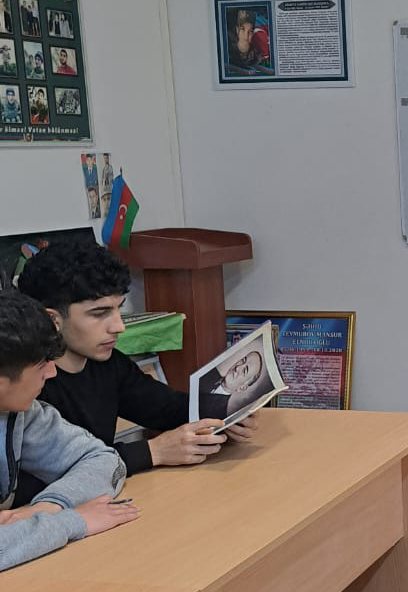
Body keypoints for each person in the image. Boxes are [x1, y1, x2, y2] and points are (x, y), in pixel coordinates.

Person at [12, 242, 259, 506]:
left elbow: (166, 408)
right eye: (100, 313)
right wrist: (153, 452)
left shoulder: (108, 364)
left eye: (118, 309)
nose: (118, 326)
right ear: (52, 320)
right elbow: (38, 483)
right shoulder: (23, 387)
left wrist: (225, 413)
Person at [0, 290, 139, 571]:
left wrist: (48, 506)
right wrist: (73, 521)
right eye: (42, 364)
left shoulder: (22, 412)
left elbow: (104, 460)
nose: (52, 373)